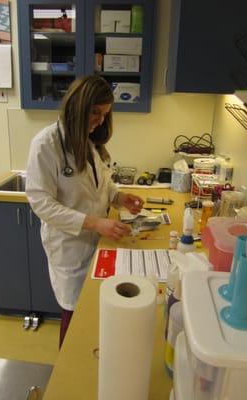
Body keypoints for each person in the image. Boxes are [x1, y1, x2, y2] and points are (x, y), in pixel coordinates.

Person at [26, 75, 144, 348]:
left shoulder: (90, 143)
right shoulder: (46, 144)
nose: (100, 120)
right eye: (95, 112)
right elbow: (41, 202)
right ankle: (67, 375)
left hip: (97, 242)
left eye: (105, 114)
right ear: (77, 106)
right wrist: (94, 223)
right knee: (74, 313)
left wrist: (120, 197)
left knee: (93, 313)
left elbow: (101, 184)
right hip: (71, 246)